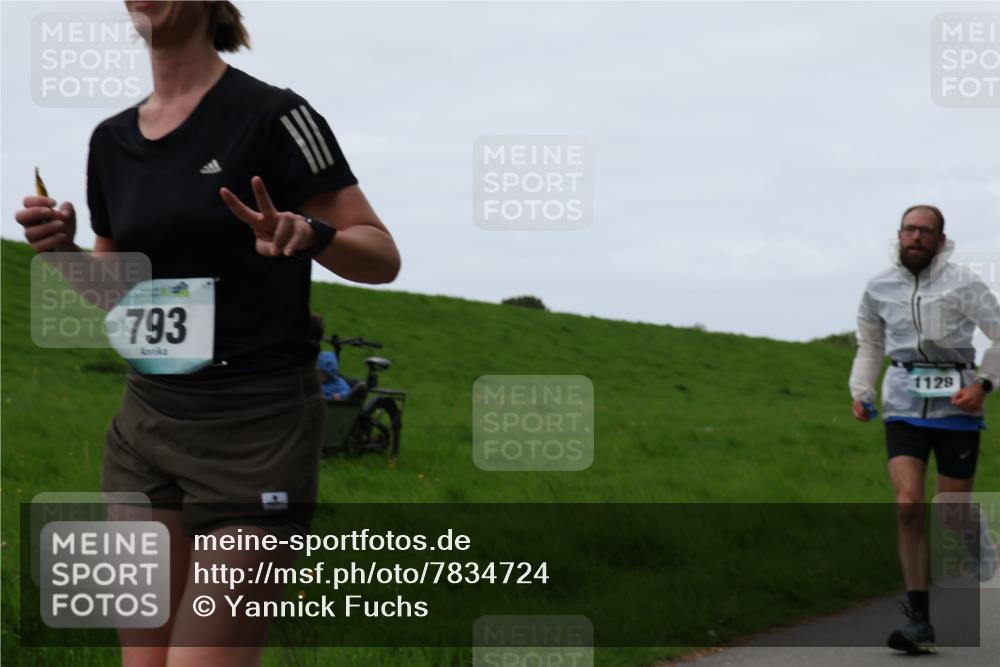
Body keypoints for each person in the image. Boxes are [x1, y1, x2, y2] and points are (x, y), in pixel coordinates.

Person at [15, 2, 400, 666]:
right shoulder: (111, 141)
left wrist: (312, 234)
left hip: (256, 432)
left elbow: (382, 256)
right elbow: (118, 292)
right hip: (146, 426)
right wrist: (63, 252)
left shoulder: (278, 117)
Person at [848, 205, 999, 654]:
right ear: (899, 235)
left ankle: (974, 534)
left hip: (957, 406)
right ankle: (919, 622)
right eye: (910, 229)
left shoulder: (965, 283)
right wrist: (861, 390)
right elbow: (870, 344)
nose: (916, 237)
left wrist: (984, 385)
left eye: (925, 231)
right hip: (903, 405)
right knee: (909, 506)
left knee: (951, 511)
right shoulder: (878, 287)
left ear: (940, 239)